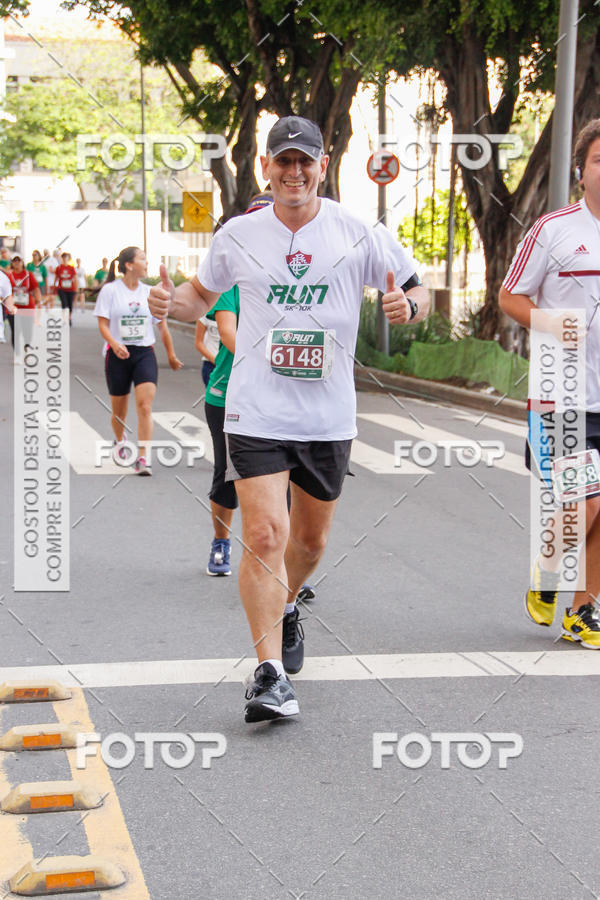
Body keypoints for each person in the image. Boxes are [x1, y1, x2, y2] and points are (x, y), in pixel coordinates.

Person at [149, 115, 429, 722]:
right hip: (256, 409)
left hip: (327, 417)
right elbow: (197, 298)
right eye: (284, 161)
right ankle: (269, 674)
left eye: (306, 161)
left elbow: (417, 290)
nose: (294, 171)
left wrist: (408, 305)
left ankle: (288, 603)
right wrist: (168, 303)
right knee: (266, 536)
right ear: (267, 169)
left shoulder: (358, 232)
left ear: (323, 167)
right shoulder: (238, 234)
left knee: (309, 541)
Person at [499, 118, 600, 649]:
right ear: (582, 171)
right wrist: (551, 323)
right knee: (580, 502)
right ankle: (546, 573)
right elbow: (511, 296)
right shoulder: (555, 229)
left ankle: (584, 610)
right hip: (561, 392)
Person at [95, 246, 183, 476]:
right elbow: (103, 324)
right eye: (143, 259)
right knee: (119, 413)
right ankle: (119, 439)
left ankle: (143, 457)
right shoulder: (111, 291)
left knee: (145, 406)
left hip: (144, 353)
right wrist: (114, 344)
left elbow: (162, 325)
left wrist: (171, 355)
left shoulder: (149, 292)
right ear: (129, 265)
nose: (147, 263)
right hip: (118, 355)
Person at [7, 256, 41, 350]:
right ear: (12, 263)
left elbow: (36, 288)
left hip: (27, 307)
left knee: (27, 329)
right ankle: (17, 353)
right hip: (13, 308)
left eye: (19, 261)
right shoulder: (9, 276)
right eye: (14, 261)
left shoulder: (29, 274)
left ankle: (27, 345)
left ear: (22, 262)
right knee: (15, 330)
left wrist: (38, 299)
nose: (17, 263)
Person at [54, 252, 77, 325]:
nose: (64, 259)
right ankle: (64, 319)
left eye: (66, 257)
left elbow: (75, 278)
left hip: (70, 289)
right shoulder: (59, 268)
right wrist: (55, 286)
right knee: (64, 304)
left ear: (68, 259)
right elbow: (56, 277)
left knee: (70, 305)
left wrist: (76, 289)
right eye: (63, 257)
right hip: (62, 289)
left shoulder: (71, 268)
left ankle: (69, 317)